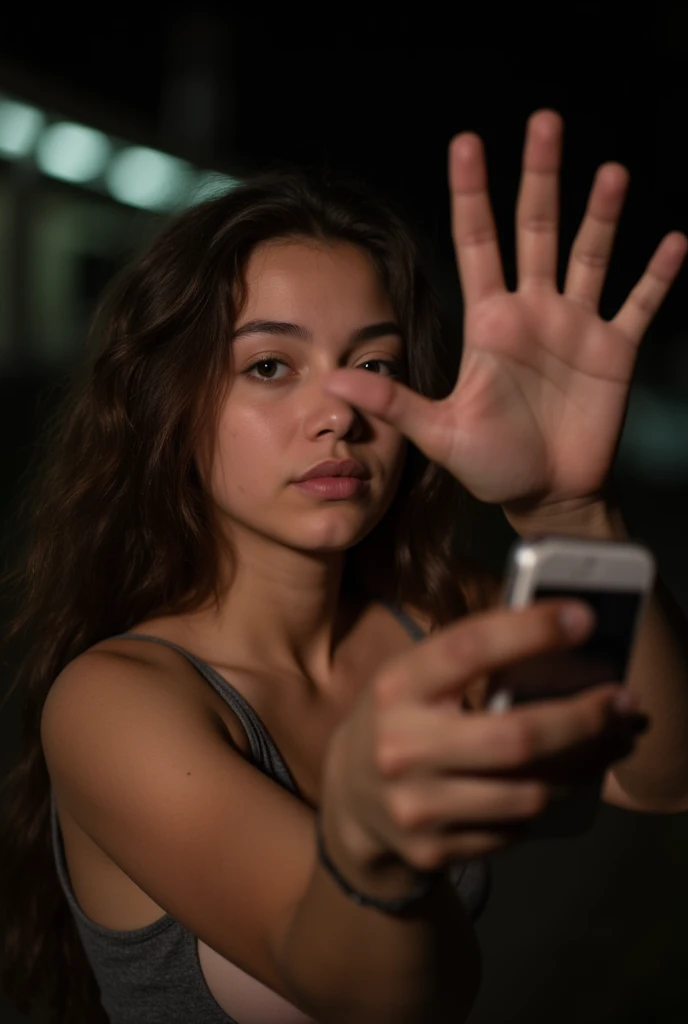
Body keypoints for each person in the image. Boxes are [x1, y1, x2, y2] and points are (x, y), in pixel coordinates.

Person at [1, 108, 687, 1024]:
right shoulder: (114, 701)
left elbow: (655, 776)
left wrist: (567, 513)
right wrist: (368, 851)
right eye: (272, 366)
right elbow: (373, 994)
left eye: (373, 362)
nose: (341, 412)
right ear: (171, 403)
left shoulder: (441, 621)